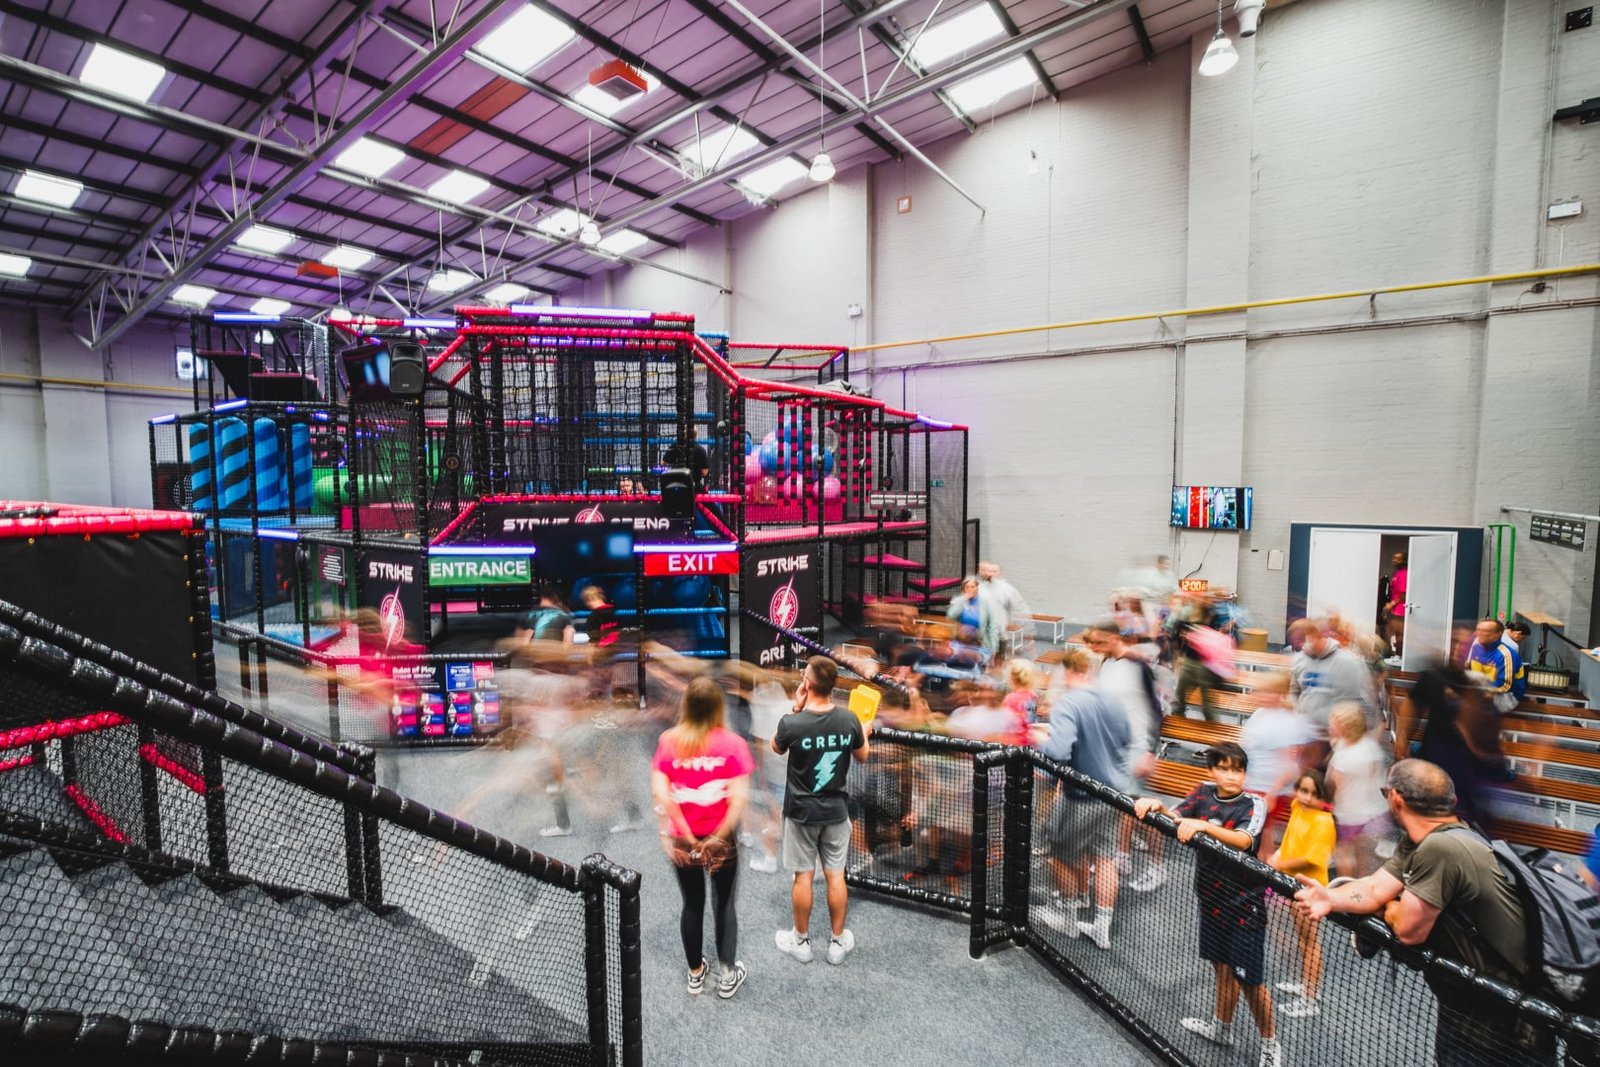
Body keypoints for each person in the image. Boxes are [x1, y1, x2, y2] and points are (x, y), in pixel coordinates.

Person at [1292, 759, 1556, 1067]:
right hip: (1469, 1011)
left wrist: (1389, 908)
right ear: (1452, 801)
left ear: (1395, 799)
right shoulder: (1425, 840)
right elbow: (1375, 888)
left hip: (1501, 1032)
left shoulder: (1441, 848)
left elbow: (1408, 929)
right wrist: (1329, 897)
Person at [1132, 743, 1280, 1067]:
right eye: (1224, 769)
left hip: (1245, 906)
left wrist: (1204, 826)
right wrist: (1156, 805)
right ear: (1212, 771)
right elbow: (1175, 818)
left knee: (1250, 981)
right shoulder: (1202, 793)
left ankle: (1270, 1044)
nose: (1232, 776)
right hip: (1211, 900)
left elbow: (1244, 840)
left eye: (1238, 769)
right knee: (1221, 967)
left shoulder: (1254, 803)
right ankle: (1221, 1028)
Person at [651, 677, 754, 999]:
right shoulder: (734, 744)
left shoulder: (669, 740)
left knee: (692, 904)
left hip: (683, 841)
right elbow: (739, 799)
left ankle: (695, 974)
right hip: (722, 841)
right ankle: (727, 975)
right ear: (718, 708)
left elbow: (662, 795)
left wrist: (682, 834)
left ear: (687, 706)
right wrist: (716, 838)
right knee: (724, 905)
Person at [772, 656, 870, 966]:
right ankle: (837, 942)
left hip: (801, 813)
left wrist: (796, 707)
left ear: (808, 684)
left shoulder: (791, 723)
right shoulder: (850, 720)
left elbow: (776, 747)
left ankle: (801, 942)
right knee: (835, 876)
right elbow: (863, 755)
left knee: (803, 876)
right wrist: (863, 731)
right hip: (836, 812)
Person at [1036, 648, 1130, 949]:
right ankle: (1101, 926)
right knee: (1104, 858)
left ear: (1069, 671)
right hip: (1113, 794)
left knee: (1059, 855)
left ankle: (1067, 917)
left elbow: (1058, 752)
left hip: (1080, 795)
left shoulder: (1069, 703)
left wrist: (1041, 740)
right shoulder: (1112, 699)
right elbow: (1126, 739)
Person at [1082, 620, 1168, 892]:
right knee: (1119, 805)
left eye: (1099, 642)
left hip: (1137, 746)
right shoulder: (1107, 664)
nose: (1095, 648)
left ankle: (1158, 867)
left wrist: (1149, 751)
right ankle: (1122, 856)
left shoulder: (1138, 665)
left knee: (1141, 808)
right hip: (1113, 745)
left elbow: (1156, 709)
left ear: (1113, 639)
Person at [1265, 769, 1336, 1019]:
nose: (1307, 797)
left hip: (1310, 889)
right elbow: (1290, 838)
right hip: (1292, 884)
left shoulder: (1324, 822)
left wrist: (1279, 864)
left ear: (1324, 799)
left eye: (1315, 794)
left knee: (1310, 942)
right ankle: (1306, 985)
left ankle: (1310, 998)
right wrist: (1278, 855)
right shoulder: (1298, 807)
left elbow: (1311, 859)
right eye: (1303, 791)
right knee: (1302, 939)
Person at [1238, 672, 1310, 841]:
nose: (1259, 694)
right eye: (1259, 690)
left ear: (1279, 694)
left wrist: (1271, 794)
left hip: (1267, 789)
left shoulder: (1287, 722)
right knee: (1260, 834)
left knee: (1260, 834)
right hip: (1253, 784)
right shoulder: (1260, 713)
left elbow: (1290, 767)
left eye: (1266, 691)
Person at [1288, 617, 1377, 754]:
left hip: (1338, 738)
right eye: (1294, 643)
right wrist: (1298, 713)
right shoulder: (1300, 660)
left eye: (1301, 640)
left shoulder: (1349, 662)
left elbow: (1365, 703)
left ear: (1314, 636)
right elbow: (1294, 692)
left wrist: (1359, 739)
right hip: (1307, 735)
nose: (1298, 647)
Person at [1327, 702, 1390, 877]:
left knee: (1343, 853)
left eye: (1334, 724)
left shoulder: (1344, 757)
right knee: (1361, 853)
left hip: (1349, 814)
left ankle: (1345, 885)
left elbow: (1334, 787)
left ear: (1346, 728)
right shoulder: (1368, 745)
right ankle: (1363, 880)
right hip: (1370, 813)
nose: (1329, 726)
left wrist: (1327, 807)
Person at [1465, 617, 1525, 710]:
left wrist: (1479, 692)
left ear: (1497, 634)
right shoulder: (1476, 648)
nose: (1479, 633)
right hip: (1484, 690)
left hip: (1507, 695)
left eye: (1485, 631)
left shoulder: (1506, 654)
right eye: (1478, 630)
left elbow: (1505, 686)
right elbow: (1473, 674)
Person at [977, 560, 1030, 652]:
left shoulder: (1007, 589)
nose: (991, 574)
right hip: (984, 629)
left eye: (994, 571)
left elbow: (1020, 607)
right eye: (989, 571)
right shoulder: (980, 588)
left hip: (1000, 629)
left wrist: (1024, 624)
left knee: (999, 653)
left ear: (1000, 573)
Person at [945, 576, 1001, 658]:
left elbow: (993, 626)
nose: (970, 589)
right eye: (967, 587)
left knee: (975, 659)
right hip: (961, 641)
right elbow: (950, 616)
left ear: (977, 588)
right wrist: (963, 599)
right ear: (964, 589)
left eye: (972, 587)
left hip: (979, 643)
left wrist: (994, 647)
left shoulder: (985, 603)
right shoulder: (959, 601)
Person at [1381, 552, 1408, 654]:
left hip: (1400, 609)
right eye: (1394, 558)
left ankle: (1399, 655)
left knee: (1399, 633)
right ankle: (1394, 653)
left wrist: (1392, 604)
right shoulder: (1397, 572)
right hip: (1394, 609)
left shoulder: (1404, 573)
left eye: (1398, 559)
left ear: (1403, 560)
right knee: (1392, 632)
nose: (1394, 561)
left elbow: (1404, 594)